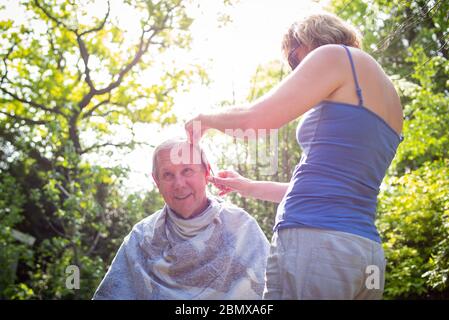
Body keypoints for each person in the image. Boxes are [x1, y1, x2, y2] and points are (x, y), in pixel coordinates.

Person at [185, 12, 403, 300]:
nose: (295, 68)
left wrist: (204, 119)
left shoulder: (333, 56)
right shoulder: (390, 96)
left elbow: (255, 121)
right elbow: (324, 190)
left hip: (317, 245)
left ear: (307, 39)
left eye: (293, 58)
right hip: (366, 255)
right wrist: (246, 185)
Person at [93, 138, 270, 300]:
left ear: (206, 172)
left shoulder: (242, 228)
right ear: (157, 181)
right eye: (168, 175)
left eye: (187, 171)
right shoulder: (141, 238)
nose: (179, 184)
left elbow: (278, 292)